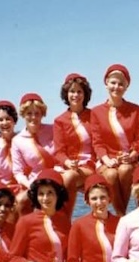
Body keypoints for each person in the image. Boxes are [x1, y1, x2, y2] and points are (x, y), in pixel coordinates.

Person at [91, 64, 139, 216]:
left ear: (126, 86)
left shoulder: (136, 110)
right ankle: (122, 215)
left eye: (121, 83)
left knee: (125, 170)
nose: (117, 86)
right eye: (113, 82)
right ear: (106, 83)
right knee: (110, 175)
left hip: (129, 160)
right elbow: (97, 141)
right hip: (107, 160)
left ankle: (120, 216)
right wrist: (107, 159)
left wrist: (132, 154)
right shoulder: (96, 112)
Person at [12, 93, 77, 216]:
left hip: (58, 175)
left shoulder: (53, 129)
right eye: (29, 114)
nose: (33, 117)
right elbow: (17, 172)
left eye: (37, 113)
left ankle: (66, 221)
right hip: (36, 182)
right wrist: (30, 185)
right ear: (23, 115)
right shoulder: (17, 140)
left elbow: (65, 151)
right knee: (20, 201)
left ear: (42, 114)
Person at [53, 73, 96, 212]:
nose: (75, 95)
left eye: (79, 91)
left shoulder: (94, 116)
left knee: (69, 177)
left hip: (90, 164)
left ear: (85, 94)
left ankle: (66, 218)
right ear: (66, 94)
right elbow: (59, 152)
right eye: (72, 91)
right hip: (68, 165)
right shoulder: (59, 121)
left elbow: (100, 143)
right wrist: (68, 163)